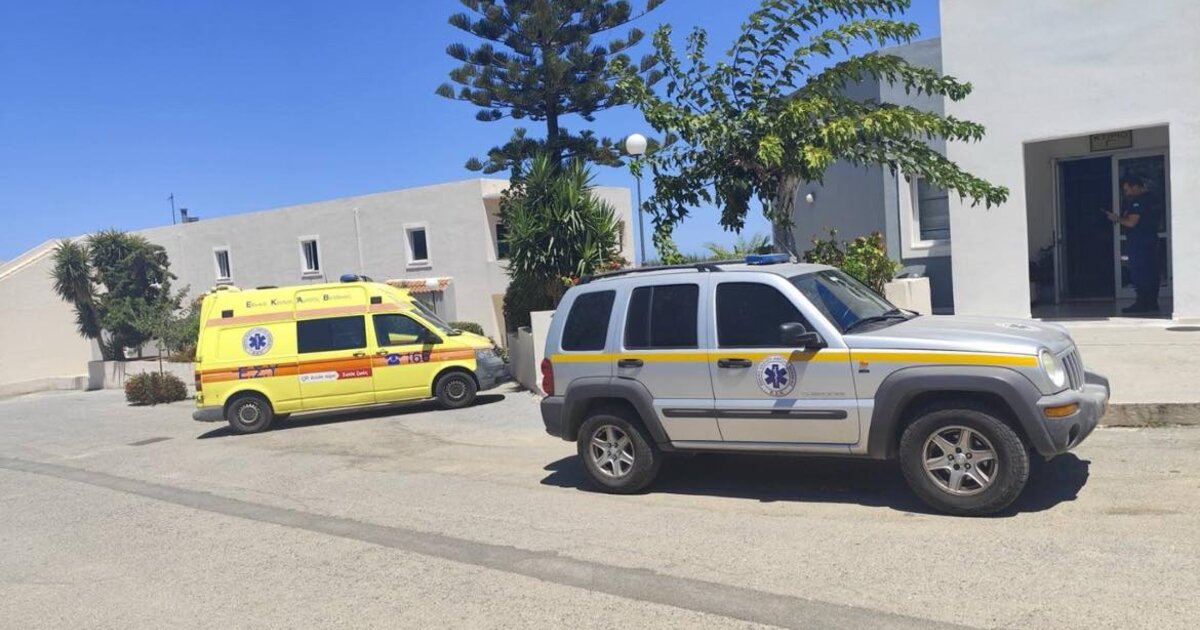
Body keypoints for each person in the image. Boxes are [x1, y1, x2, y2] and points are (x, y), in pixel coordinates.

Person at [1106, 174, 1161, 313]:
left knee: (1140, 271)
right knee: (1152, 271)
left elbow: (1131, 222)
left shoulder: (1139, 201)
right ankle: (1152, 302)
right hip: (1151, 238)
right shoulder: (1153, 198)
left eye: (1127, 189)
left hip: (1140, 241)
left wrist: (1117, 219)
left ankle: (1142, 303)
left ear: (1135, 186)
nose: (1126, 193)